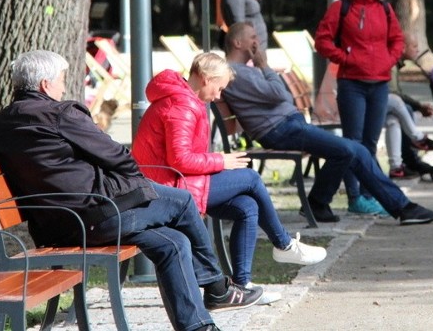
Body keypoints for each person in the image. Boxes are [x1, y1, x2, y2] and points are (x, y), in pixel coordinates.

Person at [0, 50, 262, 331]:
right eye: (60, 79)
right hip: (95, 215)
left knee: (173, 243)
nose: (63, 87)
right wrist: (134, 184)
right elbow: (117, 156)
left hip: (54, 226)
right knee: (183, 201)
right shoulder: (60, 115)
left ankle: (198, 326)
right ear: (45, 84)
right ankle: (217, 287)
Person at [132, 52, 327, 302]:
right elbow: (179, 160)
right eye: (219, 87)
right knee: (251, 179)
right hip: (169, 187)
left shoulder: (183, 98)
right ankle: (284, 245)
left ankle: (241, 285)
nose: (219, 95)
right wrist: (220, 161)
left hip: (175, 181)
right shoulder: (182, 105)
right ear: (205, 78)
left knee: (247, 206)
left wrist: (218, 163)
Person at [223, 22, 433, 226]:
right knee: (351, 150)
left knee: (351, 150)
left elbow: (281, 97)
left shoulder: (244, 71)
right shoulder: (237, 73)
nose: (257, 42)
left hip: (287, 126)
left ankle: (320, 202)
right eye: (252, 37)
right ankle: (402, 208)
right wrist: (265, 66)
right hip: (279, 130)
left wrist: (264, 72)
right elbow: (279, 93)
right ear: (237, 42)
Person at [314, 0, 404, 215]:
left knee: (371, 144)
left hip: (379, 84)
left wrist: (389, 59)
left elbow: (397, 39)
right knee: (353, 144)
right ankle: (356, 197)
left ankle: (368, 196)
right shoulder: (341, 8)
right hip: (352, 84)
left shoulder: (384, 8)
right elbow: (323, 41)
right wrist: (346, 58)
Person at [385, 33, 433, 179]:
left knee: (393, 120)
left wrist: (418, 106)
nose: (417, 50)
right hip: (368, 101)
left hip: (380, 103)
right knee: (401, 105)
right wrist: (418, 106)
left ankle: (396, 167)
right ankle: (418, 139)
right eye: (414, 46)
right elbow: (392, 92)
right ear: (402, 48)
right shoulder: (390, 64)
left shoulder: (394, 64)